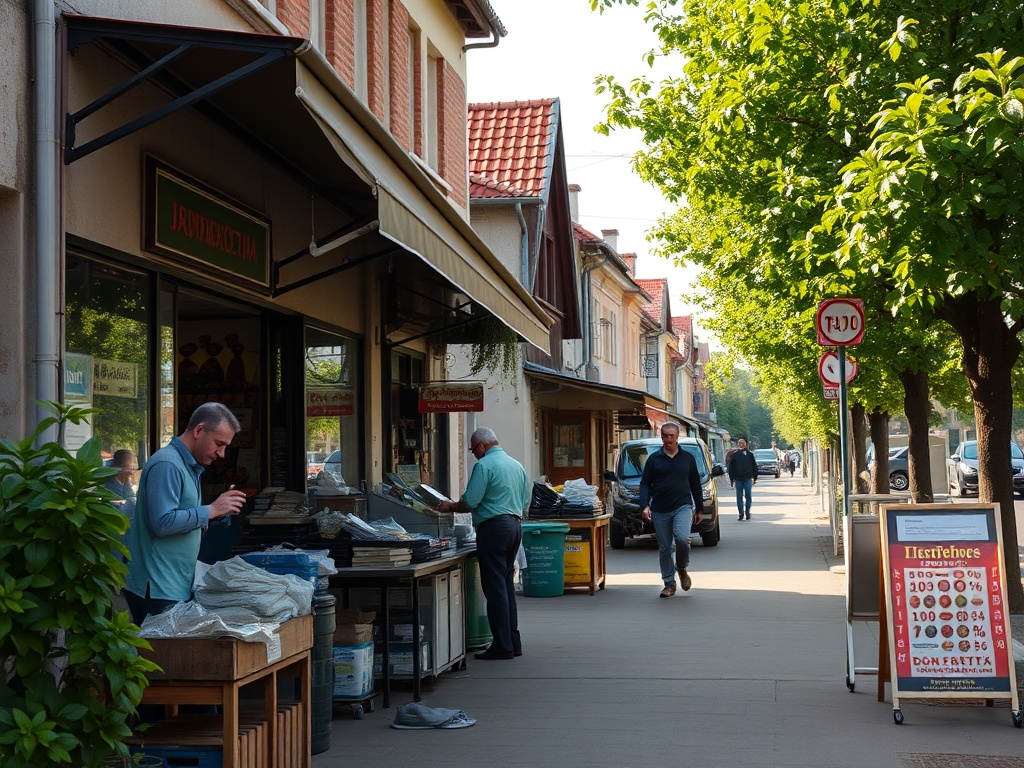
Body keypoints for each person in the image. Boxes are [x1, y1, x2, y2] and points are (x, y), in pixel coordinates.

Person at [124, 402, 247, 625]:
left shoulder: (188, 465)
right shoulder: (168, 464)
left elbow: (183, 519)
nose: (221, 454)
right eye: (219, 444)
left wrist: (215, 514)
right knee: (162, 648)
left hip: (171, 583)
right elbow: (162, 522)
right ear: (199, 430)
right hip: (158, 586)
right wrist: (211, 509)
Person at [437, 427, 528, 659]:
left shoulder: (485, 466)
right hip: (515, 526)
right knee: (505, 584)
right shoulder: (516, 465)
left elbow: (470, 501)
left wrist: (450, 506)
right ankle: (513, 642)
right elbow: (525, 500)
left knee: (495, 587)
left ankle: (502, 646)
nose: (474, 455)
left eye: (472, 450)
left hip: (494, 528)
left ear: (481, 446)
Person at [638, 422, 704, 598]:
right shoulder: (654, 460)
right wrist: (644, 505)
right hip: (660, 508)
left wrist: (699, 508)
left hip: (683, 506)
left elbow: (695, 484)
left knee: (683, 538)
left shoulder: (687, 458)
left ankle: (681, 567)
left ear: (677, 437)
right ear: (661, 437)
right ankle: (669, 583)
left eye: (672, 436)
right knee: (665, 547)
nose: (669, 439)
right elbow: (645, 484)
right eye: (665, 436)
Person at [105, 449, 139, 555]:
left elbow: (131, 497)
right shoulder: (109, 484)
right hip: (116, 537)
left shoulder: (124, 481)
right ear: (122, 467)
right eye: (131, 467)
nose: (133, 472)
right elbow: (122, 509)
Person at [727, 438, 758, 521]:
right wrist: (732, 479)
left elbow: (754, 466)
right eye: (740, 443)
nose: (741, 444)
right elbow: (731, 468)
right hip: (738, 479)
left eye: (743, 443)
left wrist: (755, 477)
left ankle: (747, 512)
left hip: (748, 478)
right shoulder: (735, 455)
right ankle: (741, 513)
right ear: (738, 445)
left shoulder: (750, 454)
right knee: (739, 497)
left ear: (745, 444)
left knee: (748, 496)